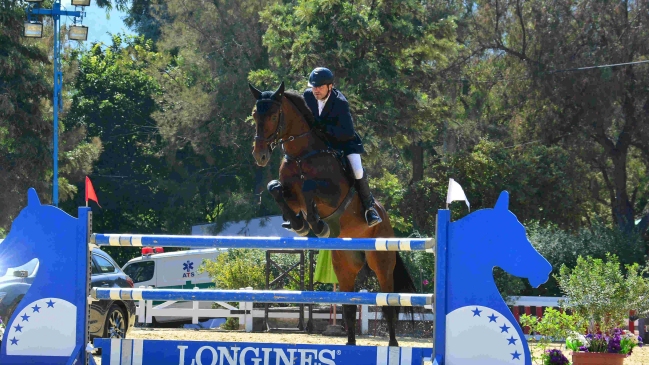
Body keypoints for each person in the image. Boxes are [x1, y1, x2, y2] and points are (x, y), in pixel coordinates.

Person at [302, 67, 382, 227]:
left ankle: (369, 208)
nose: (315, 90)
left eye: (319, 87)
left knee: (358, 171)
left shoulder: (340, 103)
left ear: (330, 86)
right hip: (320, 143)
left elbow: (347, 132)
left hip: (344, 142)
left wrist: (322, 128)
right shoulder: (307, 96)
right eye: (313, 86)